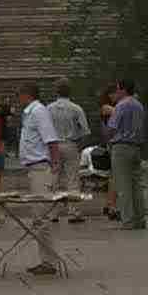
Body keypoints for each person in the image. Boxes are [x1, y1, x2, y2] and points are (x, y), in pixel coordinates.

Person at [17, 81, 61, 275]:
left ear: (26, 95)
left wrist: (55, 163)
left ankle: (49, 261)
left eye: (19, 95)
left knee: (41, 216)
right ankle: (46, 259)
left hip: (41, 167)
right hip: (33, 168)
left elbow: (51, 139)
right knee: (38, 216)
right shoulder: (30, 113)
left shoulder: (39, 111)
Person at [47, 78, 90, 223]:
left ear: (56, 92)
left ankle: (53, 213)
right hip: (71, 144)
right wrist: (79, 145)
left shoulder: (49, 109)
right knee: (73, 179)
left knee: (55, 178)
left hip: (53, 145)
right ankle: (74, 212)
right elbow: (84, 130)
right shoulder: (76, 108)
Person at [106, 79, 146, 230]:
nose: (116, 92)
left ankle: (128, 221)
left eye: (117, 89)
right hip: (136, 147)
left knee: (123, 186)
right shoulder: (139, 105)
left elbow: (112, 127)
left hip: (121, 147)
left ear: (123, 90)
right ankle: (140, 219)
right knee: (137, 186)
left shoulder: (121, 105)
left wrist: (108, 138)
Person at [98, 87, 120, 221]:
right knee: (114, 177)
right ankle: (112, 206)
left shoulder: (113, 107)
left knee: (113, 176)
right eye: (115, 93)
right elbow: (121, 113)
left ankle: (109, 204)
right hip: (112, 143)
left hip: (112, 142)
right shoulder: (106, 108)